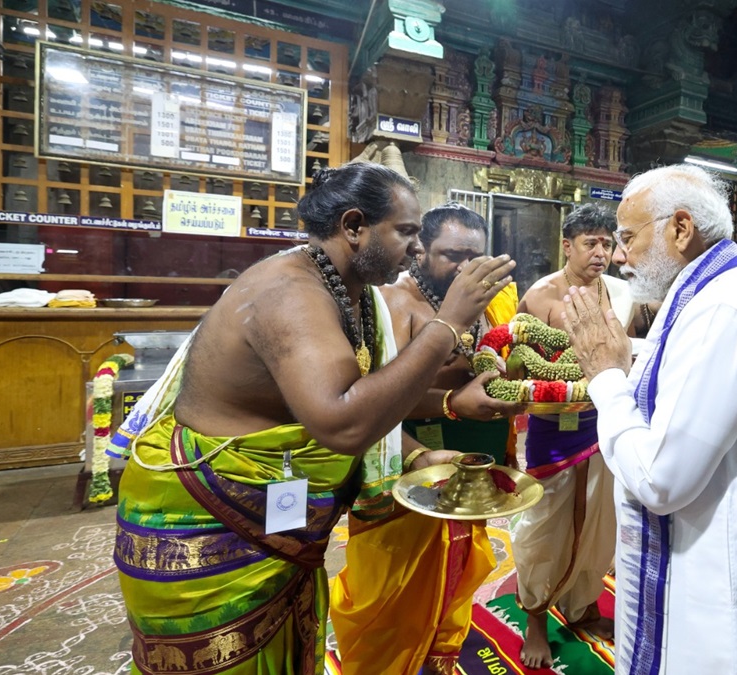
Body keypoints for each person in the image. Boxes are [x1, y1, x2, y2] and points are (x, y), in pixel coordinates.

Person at [112, 163, 515, 674]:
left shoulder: (352, 291)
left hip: (280, 523)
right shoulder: (291, 292)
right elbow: (343, 423)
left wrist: (422, 445)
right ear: (353, 226)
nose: (416, 250)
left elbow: (368, 394)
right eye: (407, 233)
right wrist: (448, 323)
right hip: (209, 523)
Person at [561, 164, 737, 674]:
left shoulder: (724, 311)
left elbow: (660, 480)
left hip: (728, 586)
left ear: (680, 229)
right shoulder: (713, 295)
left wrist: (604, 377)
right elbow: (679, 373)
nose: (619, 256)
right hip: (725, 560)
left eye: (626, 238)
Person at [330, 202, 524, 675]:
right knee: (390, 596)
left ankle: (435, 662)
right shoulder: (396, 303)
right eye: (450, 254)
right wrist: (446, 411)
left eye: (472, 255)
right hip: (408, 473)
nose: (462, 267)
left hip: (472, 468)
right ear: (420, 253)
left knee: (455, 577)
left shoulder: (490, 300)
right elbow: (375, 399)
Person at [512, 202, 633, 668]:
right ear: (568, 245)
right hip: (556, 425)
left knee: (602, 521)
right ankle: (536, 620)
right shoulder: (542, 297)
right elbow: (520, 366)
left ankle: (581, 606)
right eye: (591, 243)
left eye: (607, 243)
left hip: (606, 421)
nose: (601, 252)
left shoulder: (621, 294)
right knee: (545, 525)